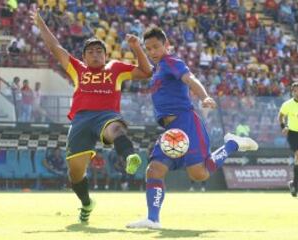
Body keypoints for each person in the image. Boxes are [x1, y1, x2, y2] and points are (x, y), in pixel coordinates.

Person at [126, 27, 259, 229]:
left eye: (156, 47)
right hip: (170, 131)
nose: (152, 52)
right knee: (154, 170)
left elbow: (190, 79)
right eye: (149, 48)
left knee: (199, 175)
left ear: (166, 45)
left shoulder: (172, 62)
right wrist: (137, 48)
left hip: (187, 123)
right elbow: (146, 65)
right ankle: (153, 219)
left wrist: (204, 96)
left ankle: (232, 144)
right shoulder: (158, 69)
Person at [29, 9, 152, 223]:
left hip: (107, 115)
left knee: (115, 129)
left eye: (99, 51)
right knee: (75, 174)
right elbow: (55, 47)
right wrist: (40, 24)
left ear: (105, 55)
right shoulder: (78, 69)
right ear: (84, 56)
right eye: (91, 51)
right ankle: (86, 203)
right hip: (81, 121)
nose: (96, 54)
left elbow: (147, 71)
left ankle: (129, 156)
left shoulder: (116, 68)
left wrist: (136, 47)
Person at [278, 82, 298, 197]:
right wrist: (284, 126)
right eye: (295, 90)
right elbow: (280, 116)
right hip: (293, 133)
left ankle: (294, 184)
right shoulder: (287, 104)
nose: (297, 92)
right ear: (292, 92)